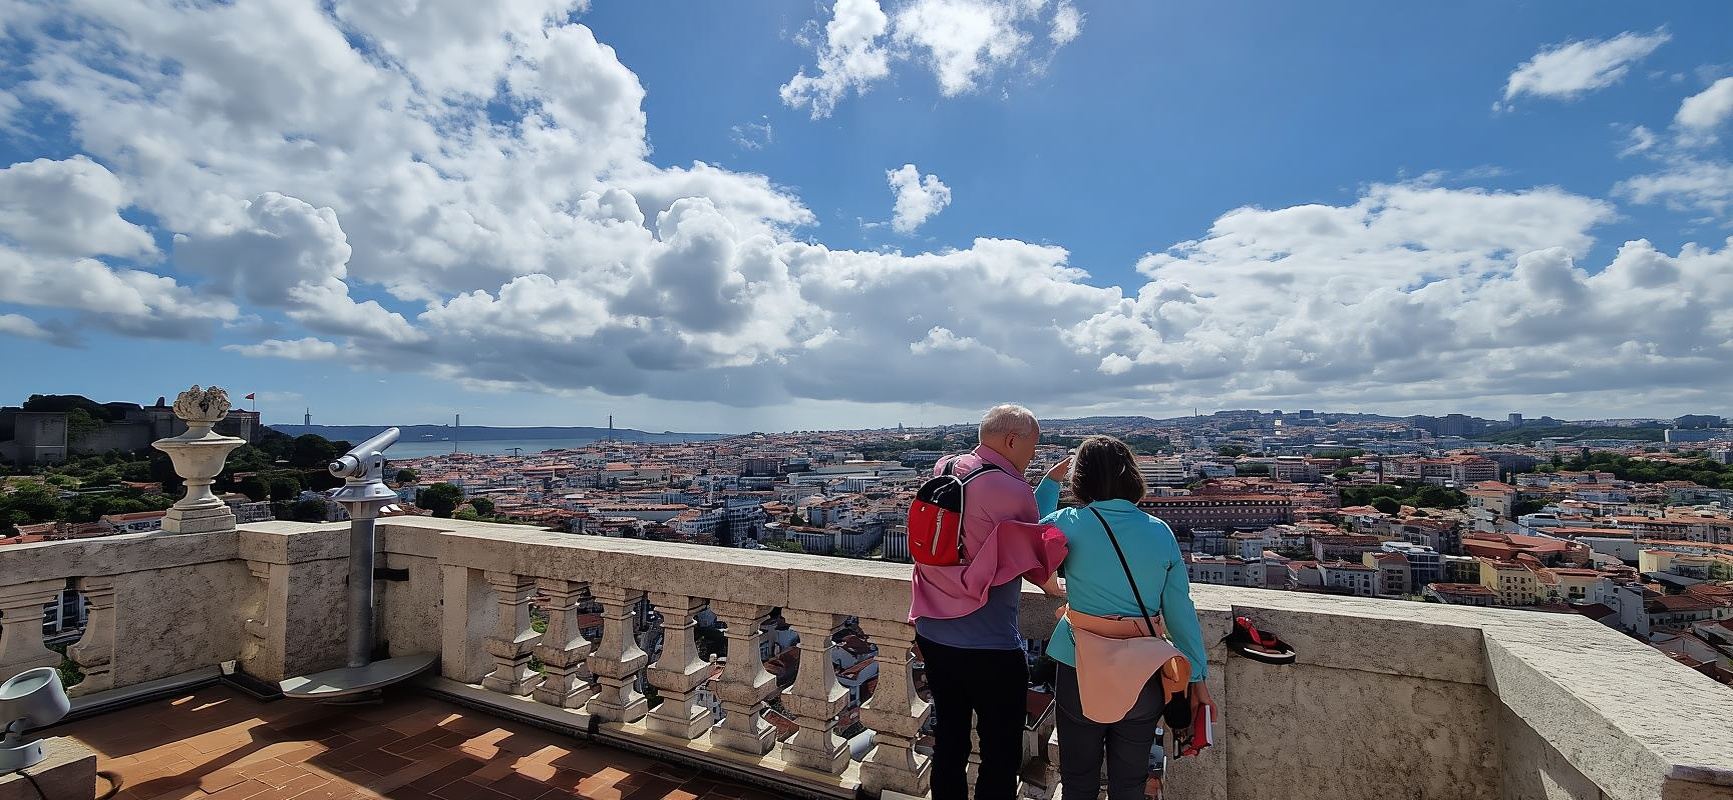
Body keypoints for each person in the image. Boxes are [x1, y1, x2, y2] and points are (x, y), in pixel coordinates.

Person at [1036, 435, 1212, 800]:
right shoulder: (1159, 532)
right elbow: (1180, 609)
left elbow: (1034, 538)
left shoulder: (1068, 522)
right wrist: (1196, 675)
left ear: (1080, 480)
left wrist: (1050, 483)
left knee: (1078, 778)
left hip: (1080, 664)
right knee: (1130, 783)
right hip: (1144, 666)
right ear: (1132, 476)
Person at [912, 404, 1069, 800]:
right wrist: (1048, 488)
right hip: (989, 642)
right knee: (999, 751)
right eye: (1031, 447)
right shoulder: (1013, 489)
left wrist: (1042, 484)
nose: (1032, 456)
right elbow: (1033, 545)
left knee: (949, 738)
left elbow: (986, 523)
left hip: (933, 628)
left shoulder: (944, 467)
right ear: (1012, 440)